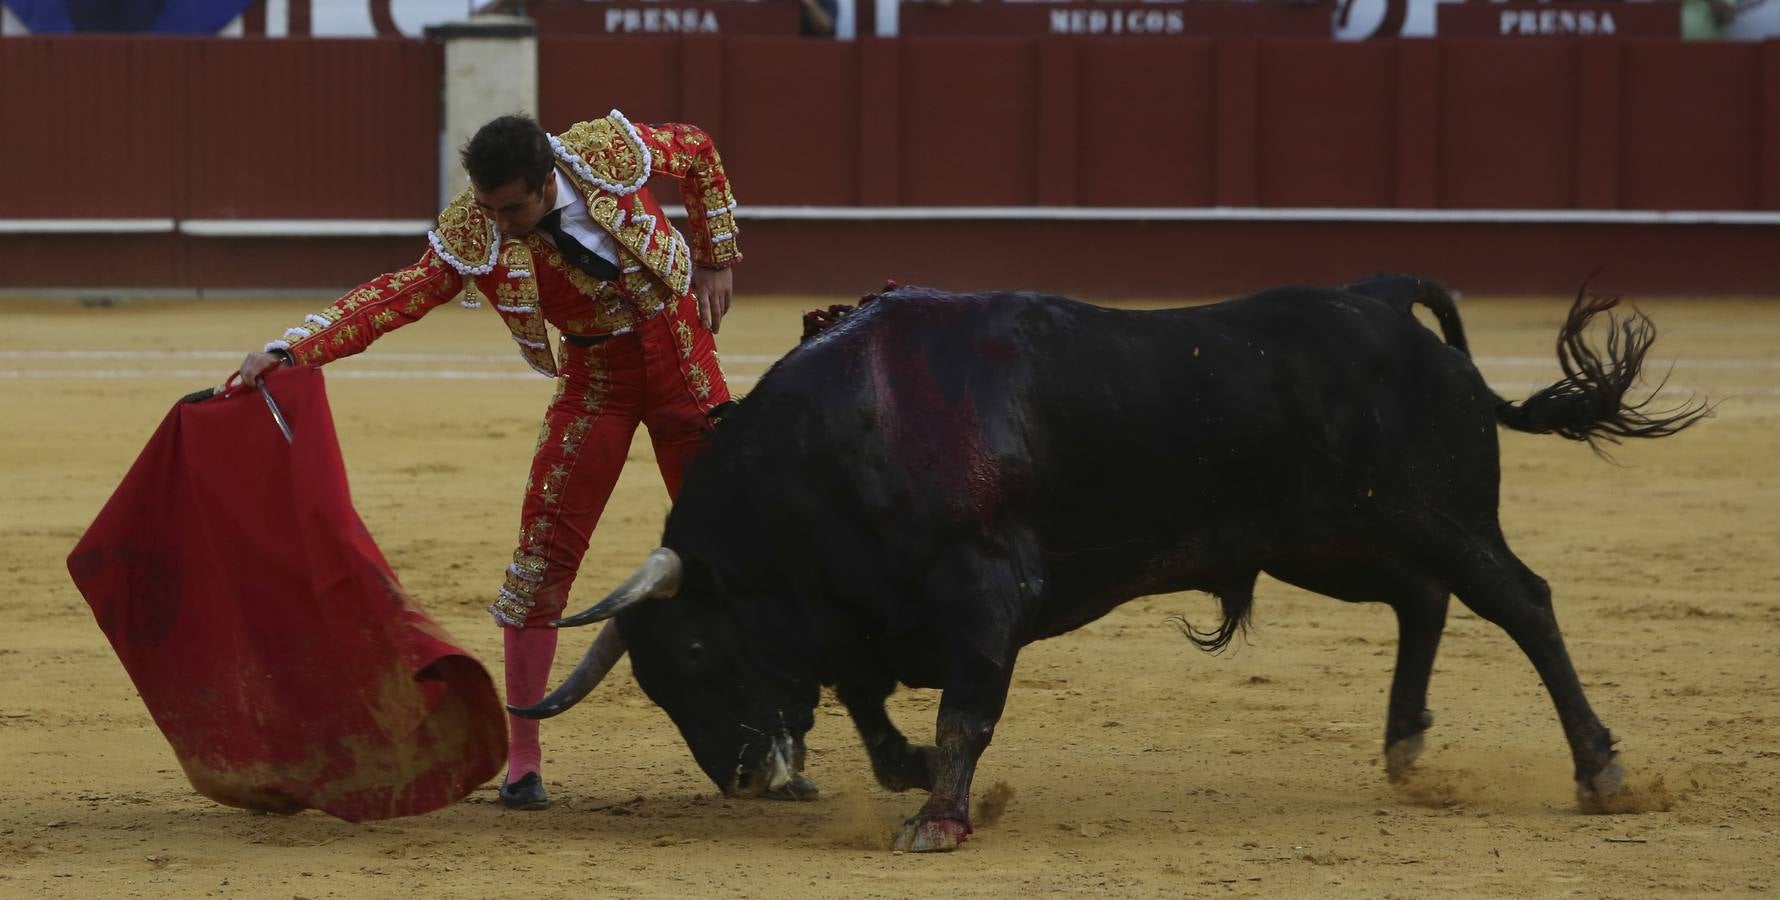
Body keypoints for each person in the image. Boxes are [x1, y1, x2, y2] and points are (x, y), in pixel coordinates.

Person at [237, 110, 742, 811]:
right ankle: (524, 762)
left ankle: (759, 738)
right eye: (489, 208)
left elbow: (698, 148)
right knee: (540, 559)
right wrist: (293, 349)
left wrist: (717, 254)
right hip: (597, 381)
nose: (500, 225)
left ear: (548, 179)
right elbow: (397, 295)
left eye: (513, 209)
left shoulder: (608, 152)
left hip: (685, 360)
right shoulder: (477, 228)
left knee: (748, 547)